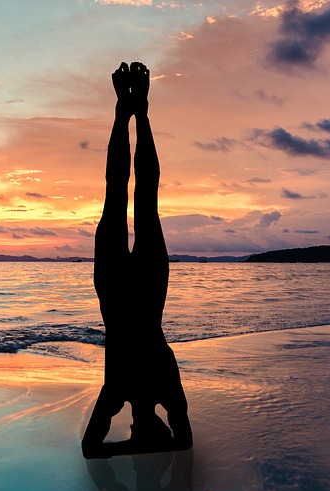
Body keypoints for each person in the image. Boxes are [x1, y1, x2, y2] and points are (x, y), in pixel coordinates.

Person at [82, 62, 192, 459]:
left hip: (135, 287)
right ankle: (132, 111)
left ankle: (132, 111)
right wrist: (136, 446)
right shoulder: (118, 392)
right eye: (135, 429)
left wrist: (141, 445)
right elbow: (92, 448)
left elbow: (182, 441)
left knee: (135, 197)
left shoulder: (155, 390)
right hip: (127, 289)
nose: (130, 427)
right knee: (129, 197)